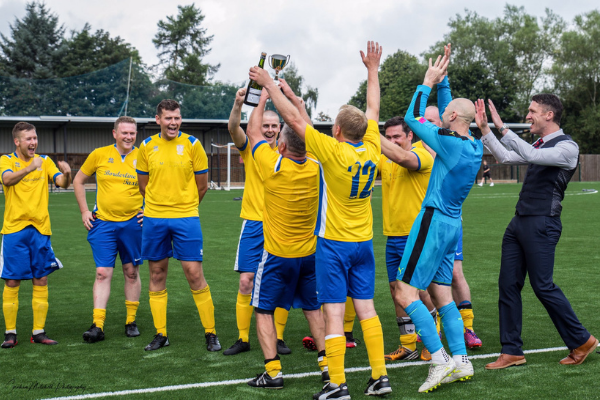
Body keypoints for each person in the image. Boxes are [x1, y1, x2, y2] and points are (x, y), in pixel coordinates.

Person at [250, 41, 392, 399]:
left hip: (334, 246)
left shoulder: (331, 151)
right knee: (367, 310)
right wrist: (373, 71)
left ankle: (337, 385)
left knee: (332, 315)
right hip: (364, 244)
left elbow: (296, 122)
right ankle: (379, 377)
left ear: (338, 132)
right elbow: (373, 108)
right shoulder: (371, 146)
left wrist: (268, 84)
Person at [476, 96, 597, 369]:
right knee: (508, 285)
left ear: (549, 114)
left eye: (532, 111)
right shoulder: (540, 144)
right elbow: (505, 155)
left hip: (542, 223)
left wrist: (502, 127)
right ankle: (512, 351)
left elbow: (530, 156)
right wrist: (485, 130)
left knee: (542, 285)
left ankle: (582, 340)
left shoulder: (567, 147)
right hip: (519, 222)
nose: (528, 115)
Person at [386, 52, 483, 393]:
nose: (441, 113)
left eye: (446, 110)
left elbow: (413, 117)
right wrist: (444, 82)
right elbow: (449, 114)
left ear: (453, 115)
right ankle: (461, 360)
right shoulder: (473, 144)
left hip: (433, 219)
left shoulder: (446, 142)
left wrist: (426, 82)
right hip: (452, 224)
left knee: (404, 289)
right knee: (442, 294)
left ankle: (439, 360)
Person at [245, 86, 327, 390]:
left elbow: (253, 132)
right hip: (310, 255)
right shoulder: (319, 166)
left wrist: (263, 95)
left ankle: (274, 372)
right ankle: (328, 367)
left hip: (278, 255)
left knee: (263, 310)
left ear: (280, 145)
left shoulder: (273, 165)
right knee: (313, 310)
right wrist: (295, 102)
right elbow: (310, 134)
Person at [136, 99, 220, 352]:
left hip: (186, 218)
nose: (173, 123)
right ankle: (161, 334)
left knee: (194, 274)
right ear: (158, 119)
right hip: (154, 218)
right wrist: (157, 207)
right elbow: (143, 185)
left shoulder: (193, 145)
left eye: (177, 118)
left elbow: (202, 186)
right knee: (157, 274)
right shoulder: (146, 146)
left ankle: (211, 333)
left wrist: (186, 207)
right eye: (168, 118)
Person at [224, 87, 291, 356]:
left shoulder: (289, 150)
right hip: (253, 223)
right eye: (265, 124)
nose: (270, 129)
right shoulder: (251, 149)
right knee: (246, 281)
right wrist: (238, 105)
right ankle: (243, 338)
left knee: (282, 280)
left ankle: (279, 337)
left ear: (280, 129)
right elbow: (233, 129)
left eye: (274, 125)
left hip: (283, 224)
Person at [425, 47, 483, 350]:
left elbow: (450, 111)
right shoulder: (429, 141)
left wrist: (441, 82)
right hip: (428, 218)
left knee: (453, 273)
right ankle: (437, 327)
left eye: (440, 118)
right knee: (431, 280)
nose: (436, 123)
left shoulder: (448, 140)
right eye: (431, 120)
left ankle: (466, 328)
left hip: (445, 218)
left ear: (448, 118)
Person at [73, 116, 144, 343]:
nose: (128, 137)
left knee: (131, 272)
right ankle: (98, 325)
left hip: (133, 223)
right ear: (115, 134)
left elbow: (156, 186)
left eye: (132, 133)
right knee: (102, 273)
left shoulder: (144, 156)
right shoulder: (99, 154)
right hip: (103, 223)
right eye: (124, 133)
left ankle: (130, 321)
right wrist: (85, 211)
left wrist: (149, 210)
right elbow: (78, 180)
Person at [0, 122, 71, 348]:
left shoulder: (45, 161)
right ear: (17, 142)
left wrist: (67, 174)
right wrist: (31, 167)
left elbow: (61, 182)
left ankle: (38, 332)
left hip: (40, 230)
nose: (33, 142)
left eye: (35, 138)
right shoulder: (6, 160)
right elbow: (7, 180)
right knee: (12, 281)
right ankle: (10, 333)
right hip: (14, 230)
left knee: (41, 278)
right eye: (28, 139)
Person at [377, 116, 439, 363]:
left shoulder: (421, 154)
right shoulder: (386, 158)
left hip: (416, 234)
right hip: (392, 235)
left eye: (397, 137)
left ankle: (432, 338)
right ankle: (407, 345)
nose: (392, 141)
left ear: (410, 135)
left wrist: (373, 135)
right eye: (388, 137)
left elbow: (404, 159)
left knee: (418, 292)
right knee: (395, 291)